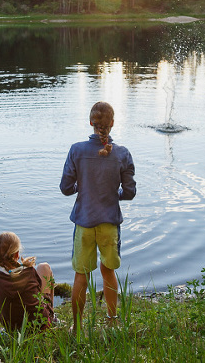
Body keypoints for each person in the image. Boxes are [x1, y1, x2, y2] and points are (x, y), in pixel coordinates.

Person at [59, 101, 136, 330]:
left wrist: (82, 189)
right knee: (108, 271)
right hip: (110, 223)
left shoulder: (76, 150)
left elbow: (65, 187)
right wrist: (113, 194)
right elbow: (130, 193)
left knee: (81, 276)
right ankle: (112, 323)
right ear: (112, 123)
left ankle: (77, 327)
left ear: (91, 123)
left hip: (84, 222)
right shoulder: (122, 153)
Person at [0, 232, 56, 330]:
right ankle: (52, 317)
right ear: (17, 254)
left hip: (12, 328)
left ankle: (8, 324)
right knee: (44, 267)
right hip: (40, 326)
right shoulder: (29, 272)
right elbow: (38, 292)